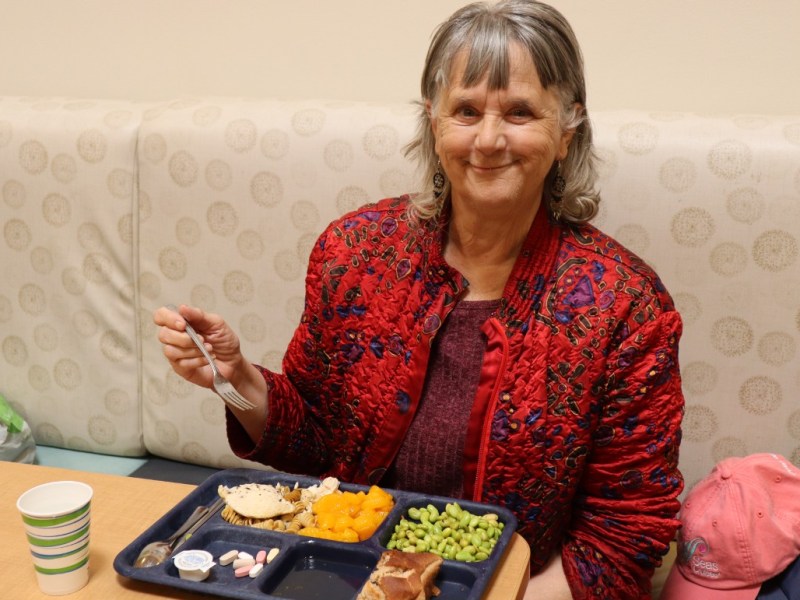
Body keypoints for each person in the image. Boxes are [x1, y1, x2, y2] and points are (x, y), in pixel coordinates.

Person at [154, 1, 685, 598]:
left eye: (519, 112)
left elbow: (626, 531)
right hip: (347, 572)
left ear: (567, 131)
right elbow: (319, 452)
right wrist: (236, 379)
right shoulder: (354, 253)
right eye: (465, 111)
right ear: (433, 123)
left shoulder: (624, 305)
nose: (488, 139)